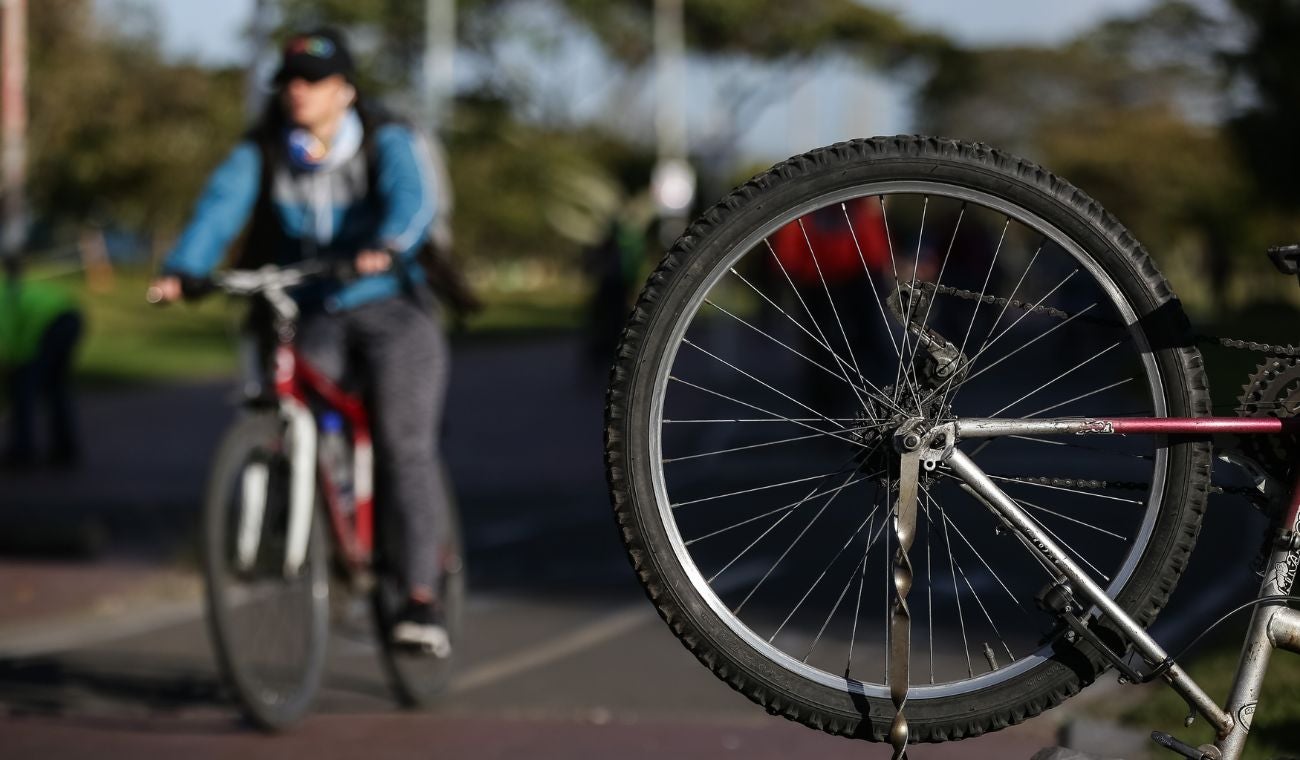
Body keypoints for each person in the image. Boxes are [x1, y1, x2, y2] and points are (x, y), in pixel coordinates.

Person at [150, 28, 453, 654]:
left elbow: (414, 199)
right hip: (315, 308)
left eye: (312, 81)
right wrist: (185, 268)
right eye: (288, 81)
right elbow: (220, 206)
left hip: (392, 309)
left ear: (344, 90)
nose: (297, 92)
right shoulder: (265, 152)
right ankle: (316, 518)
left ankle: (421, 597)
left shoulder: (384, 141)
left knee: (403, 444)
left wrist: (389, 245)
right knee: (285, 394)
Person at [0, 255, 84, 469]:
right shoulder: (15, 286)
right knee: (55, 386)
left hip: (52, 326)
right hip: (69, 318)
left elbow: (8, 336)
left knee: (23, 389)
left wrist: (14, 364)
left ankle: (22, 451)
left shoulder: (4, 293)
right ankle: (64, 449)